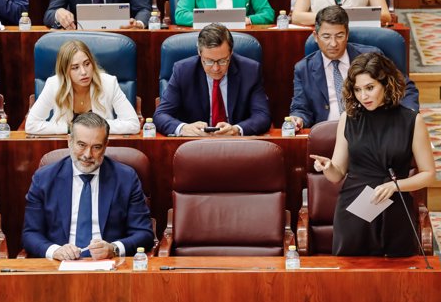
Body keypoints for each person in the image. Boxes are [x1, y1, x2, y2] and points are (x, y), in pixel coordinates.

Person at [311, 52, 436, 257]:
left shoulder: (412, 121)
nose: (363, 96)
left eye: (370, 88)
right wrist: (328, 167)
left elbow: (429, 174)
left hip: (395, 204)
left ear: (386, 84)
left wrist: (395, 186)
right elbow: (337, 174)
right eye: (358, 90)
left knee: (396, 279)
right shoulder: (348, 119)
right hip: (355, 209)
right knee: (352, 277)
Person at [22, 112, 155, 260]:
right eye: (81, 145)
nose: (88, 154)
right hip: (59, 267)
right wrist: (55, 251)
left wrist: (114, 248)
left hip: (110, 265)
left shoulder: (126, 178)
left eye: (96, 147)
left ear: (105, 146)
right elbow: (30, 234)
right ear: (69, 141)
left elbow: (144, 234)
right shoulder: (44, 178)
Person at [290, 6, 418, 130]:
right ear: (316, 37)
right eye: (326, 37)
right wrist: (298, 118)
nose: (333, 43)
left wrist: (408, 116)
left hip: (370, 130)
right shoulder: (303, 68)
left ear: (347, 35)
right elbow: (301, 109)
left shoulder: (370, 56)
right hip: (328, 133)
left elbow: (405, 87)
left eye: (339, 36)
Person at [153, 23, 271, 136]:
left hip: (236, 145)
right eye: (208, 61)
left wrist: (237, 130)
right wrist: (184, 128)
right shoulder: (183, 71)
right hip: (194, 146)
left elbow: (262, 115)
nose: (216, 68)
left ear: (231, 53)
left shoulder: (250, 70)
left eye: (222, 60)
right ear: (199, 53)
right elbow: (161, 115)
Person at [25, 40, 140, 135]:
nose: (84, 72)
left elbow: (133, 124)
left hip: (99, 147)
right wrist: (71, 129)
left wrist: (94, 127)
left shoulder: (109, 83)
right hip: (64, 146)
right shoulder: (54, 84)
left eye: (87, 64)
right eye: (75, 67)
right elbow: (31, 125)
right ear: (65, 71)